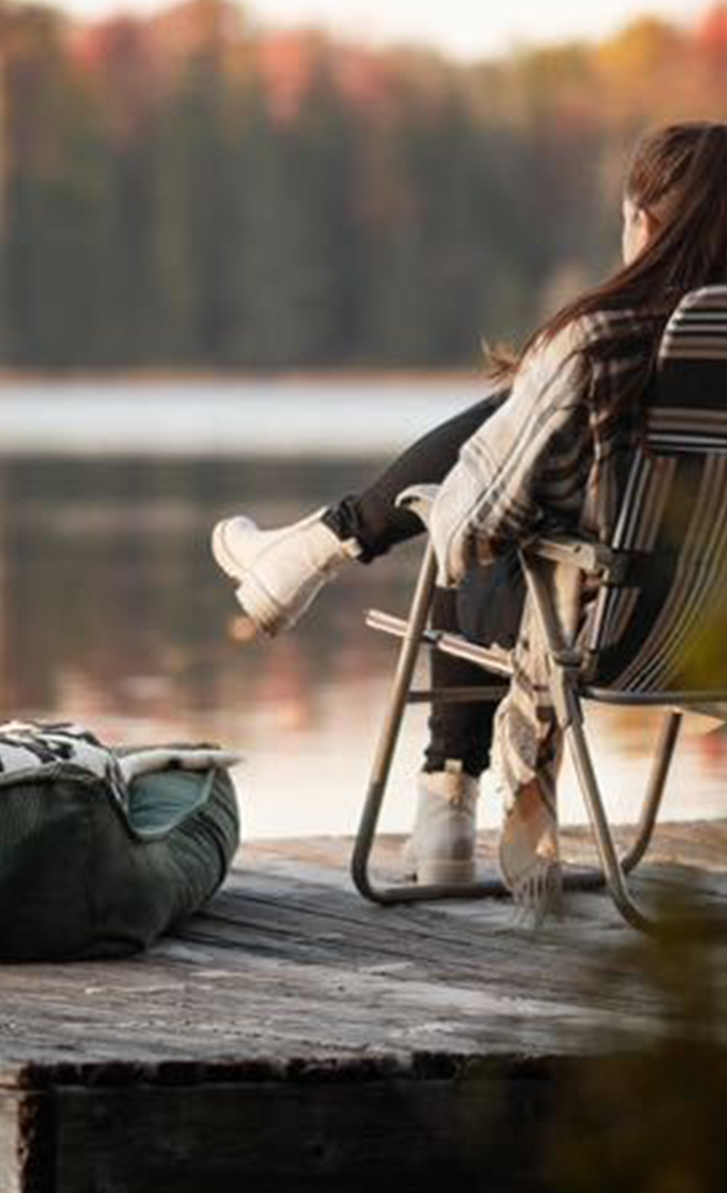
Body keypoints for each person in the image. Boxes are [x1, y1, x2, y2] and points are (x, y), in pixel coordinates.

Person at [211, 121, 727, 897]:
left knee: (464, 524)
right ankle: (314, 545)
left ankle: (444, 809)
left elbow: (473, 526)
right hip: (705, 641)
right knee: (508, 428)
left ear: (643, 222)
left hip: (606, 636)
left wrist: (455, 497)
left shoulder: (597, 341)